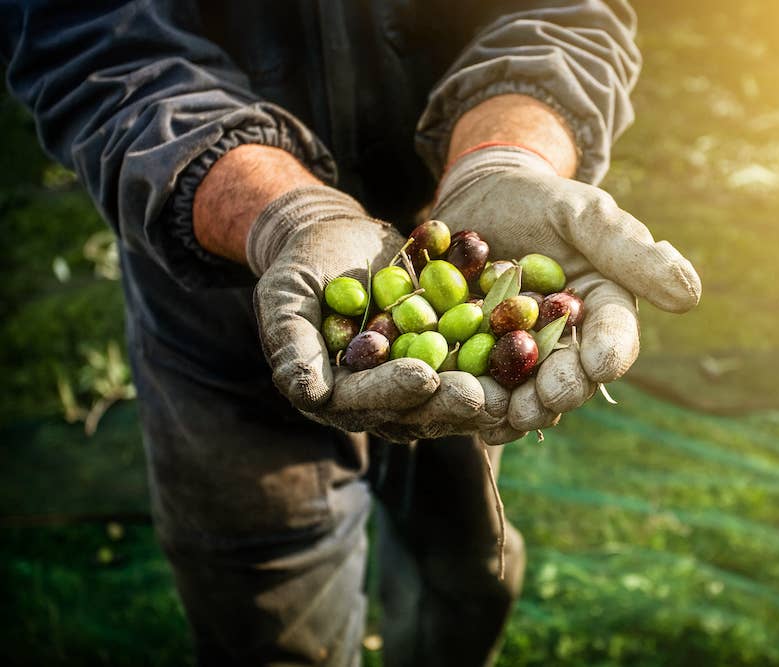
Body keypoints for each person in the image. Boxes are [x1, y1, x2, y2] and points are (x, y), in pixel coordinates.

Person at [1, 1, 700, 664]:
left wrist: (504, 156)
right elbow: (97, 46)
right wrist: (285, 214)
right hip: (216, 291)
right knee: (268, 618)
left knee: (465, 568)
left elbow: (562, 13)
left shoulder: (476, 307)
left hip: (465, 233)